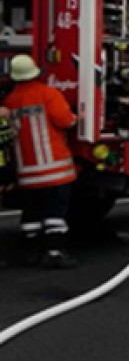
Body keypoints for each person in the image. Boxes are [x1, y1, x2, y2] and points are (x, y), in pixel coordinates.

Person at [0, 54, 79, 269]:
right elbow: (66, 120)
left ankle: (31, 253)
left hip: (27, 173)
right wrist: (79, 117)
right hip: (56, 170)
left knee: (32, 215)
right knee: (55, 213)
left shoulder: (10, 101)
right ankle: (54, 253)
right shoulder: (48, 94)